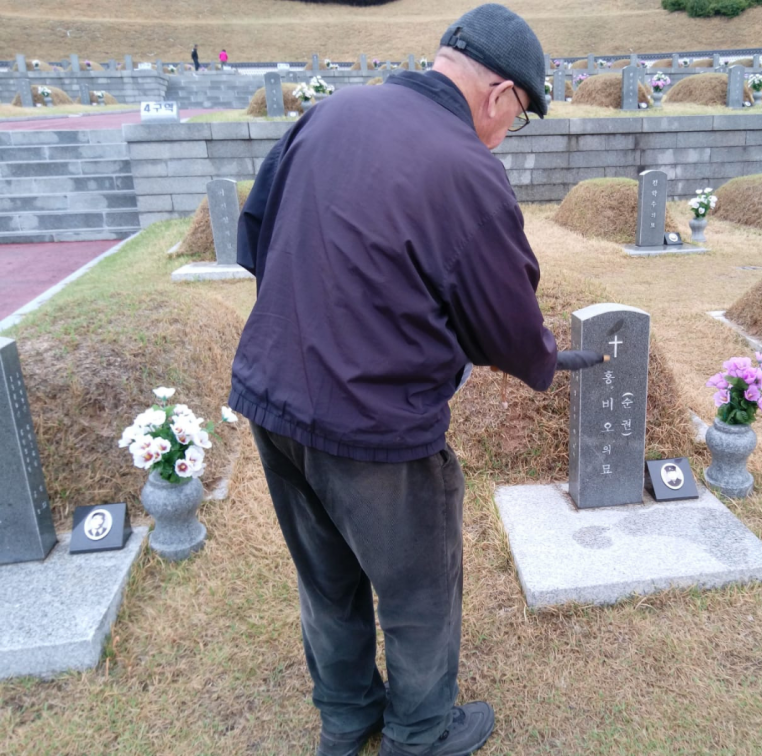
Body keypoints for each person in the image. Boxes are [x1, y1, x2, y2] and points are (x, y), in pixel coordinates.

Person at [230, 5, 601, 755]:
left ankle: (344, 717)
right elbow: (503, 317)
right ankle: (420, 733)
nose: (504, 133)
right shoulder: (466, 167)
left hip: (272, 396)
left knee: (325, 575)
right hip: (375, 423)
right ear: (501, 96)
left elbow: (257, 237)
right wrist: (543, 358)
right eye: (518, 116)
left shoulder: (331, 113)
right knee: (419, 593)